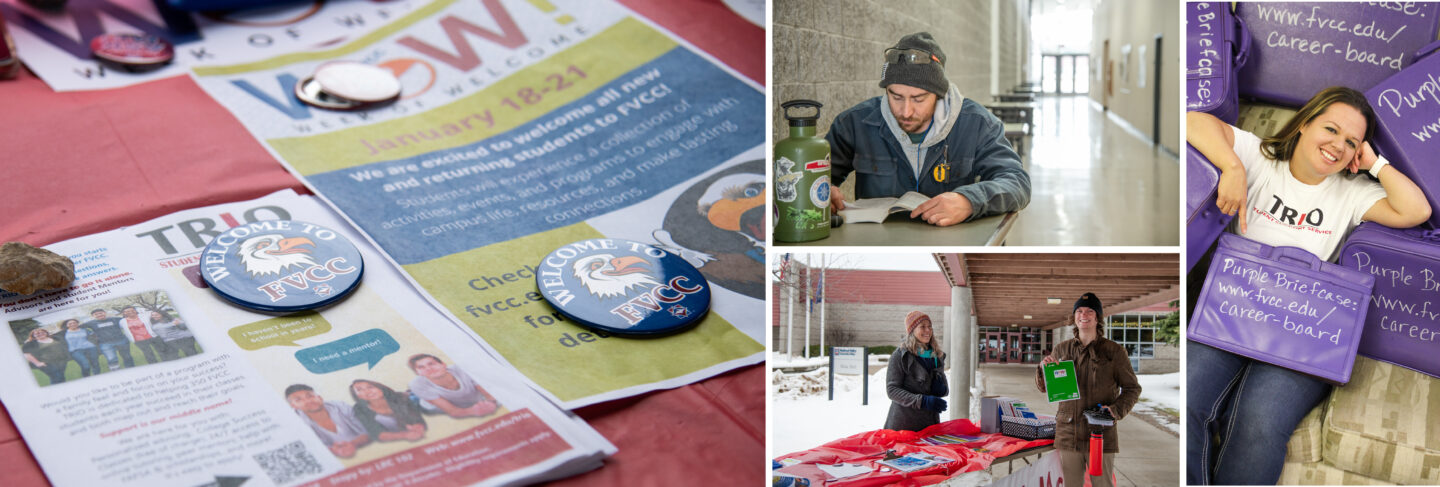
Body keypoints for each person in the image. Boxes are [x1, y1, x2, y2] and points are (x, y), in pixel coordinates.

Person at [1186, 87, 1431, 485]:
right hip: (1229, 316)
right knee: (1190, 398)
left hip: (1302, 332)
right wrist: (1232, 168)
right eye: (1330, 129)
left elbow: (1416, 210)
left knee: (1259, 422)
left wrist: (1374, 162)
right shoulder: (1259, 159)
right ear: (1303, 124)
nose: (1337, 145)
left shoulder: (1353, 194)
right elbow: (1191, 121)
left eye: (1350, 141)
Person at [826, 32, 1030, 227]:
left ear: (938, 94)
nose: (905, 111)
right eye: (895, 96)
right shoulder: (854, 123)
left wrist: (969, 201)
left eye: (918, 99)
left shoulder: (978, 124)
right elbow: (811, 176)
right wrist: (825, 190)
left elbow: (1017, 183)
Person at [1036, 293, 1141, 487]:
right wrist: (1044, 370)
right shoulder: (1061, 349)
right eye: (1079, 311)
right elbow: (1045, 388)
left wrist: (1115, 410)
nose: (1084, 314)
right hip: (1068, 433)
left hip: (1100, 434)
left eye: (1090, 311)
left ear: (1098, 317)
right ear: (1074, 317)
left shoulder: (1114, 351)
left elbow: (1132, 388)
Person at [884, 311, 947, 431]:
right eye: (922, 326)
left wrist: (941, 388)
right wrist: (923, 401)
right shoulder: (901, 355)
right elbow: (892, 390)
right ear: (912, 330)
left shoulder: (936, 355)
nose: (928, 330)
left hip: (929, 423)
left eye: (929, 327)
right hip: (904, 424)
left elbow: (944, 387)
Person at [285, 384, 370, 458]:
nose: (308, 401)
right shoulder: (295, 421)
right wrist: (331, 450)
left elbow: (369, 428)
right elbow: (304, 449)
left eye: (310, 396)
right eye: (298, 400)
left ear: (319, 398)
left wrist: (353, 444)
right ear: (293, 406)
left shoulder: (340, 406)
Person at [406, 354, 499, 418]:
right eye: (421, 367)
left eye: (431, 364)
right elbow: (453, 411)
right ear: (418, 373)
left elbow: (490, 396)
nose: (429, 368)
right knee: (411, 401)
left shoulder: (462, 369)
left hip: (466, 400)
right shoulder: (417, 384)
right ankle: (409, 395)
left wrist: (492, 404)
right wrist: (474, 411)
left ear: (443, 364)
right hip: (430, 407)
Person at [349, 379, 426, 442]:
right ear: (357, 396)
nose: (368, 391)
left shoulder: (400, 397)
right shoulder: (359, 409)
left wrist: (418, 427)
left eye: (370, 387)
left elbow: (416, 418)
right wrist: (405, 435)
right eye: (360, 390)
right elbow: (377, 433)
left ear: (380, 388)